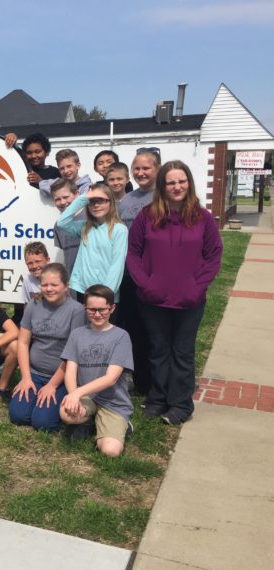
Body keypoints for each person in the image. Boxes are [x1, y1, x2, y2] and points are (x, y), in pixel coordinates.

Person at [126, 161, 222, 425]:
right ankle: (158, 399)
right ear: (162, 186)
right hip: (152, 299)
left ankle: (180, 404)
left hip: (189, 301)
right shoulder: (147, 216)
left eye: (181, 181)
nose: (177, 187)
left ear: (188, 183)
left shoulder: (202, 218)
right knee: (157, 350)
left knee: (182, 352)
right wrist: (145, 283)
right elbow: (133, 253)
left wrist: (197, 286)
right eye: (171, 182)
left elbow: (214, 255)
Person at [60, 285, 134, 457]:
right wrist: (74, 395)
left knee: (111, 451)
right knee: (66, 414)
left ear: (112, 308)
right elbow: (70, 371)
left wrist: (77, 393)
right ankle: (86, 422)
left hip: (113, 401)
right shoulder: (77, 334)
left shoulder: (121, 336)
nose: (97, 314)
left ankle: (121, 424)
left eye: (102, 309)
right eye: (92, 310)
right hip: (87, 397)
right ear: (85, 308)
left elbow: (111, 379)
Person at [9, 263, 85, 431]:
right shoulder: (33, 305)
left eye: (54, 285)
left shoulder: (77, 310)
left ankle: (58, 401)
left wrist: (52, 385)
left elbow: (73, 354)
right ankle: (36, 397)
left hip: (62, 377)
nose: (49, 289)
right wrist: (26, 377)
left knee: (43, 424)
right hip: (34, 373)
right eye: (44, 285)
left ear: (66, 286)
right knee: (18, 416)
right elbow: (22, 342)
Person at [117, 148, 161, 395]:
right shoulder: (128, 201)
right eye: (137, 168)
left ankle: (158, 383)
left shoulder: (163, 197)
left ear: (157, 169)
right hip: (128, 277)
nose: (141, 172)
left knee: (155, 332)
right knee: (134, 330)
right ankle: (142, 382)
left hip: (155, 276)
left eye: (146, 168)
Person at [56, 183, 127, 306]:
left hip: (105, 294)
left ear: (110, 202)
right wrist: (84, 198)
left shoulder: (119, 229)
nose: (96, 205)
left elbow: (117, 265)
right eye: (92, 201)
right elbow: (62, 223)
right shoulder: (85, 227)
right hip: (83, 290)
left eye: (101, 201)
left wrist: (105, 295)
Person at [12, 241, 51, 326]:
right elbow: (27, 307)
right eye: (29, 263)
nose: (34, 266)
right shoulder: (27, 280)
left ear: (47, 260)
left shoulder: (56, 279)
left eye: (38, 261)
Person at [50, 179, 82, 279]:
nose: (62, 202)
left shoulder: (91, 218)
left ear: (77, 194)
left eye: (66, 197)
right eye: (57, 199)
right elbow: (66, 256)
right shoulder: (58, 226)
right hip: (71, 282)